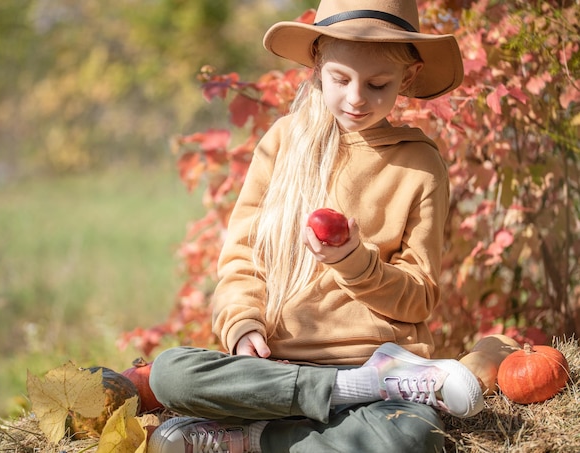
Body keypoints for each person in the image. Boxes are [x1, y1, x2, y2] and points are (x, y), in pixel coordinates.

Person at [148, 0, 483, 452]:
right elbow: (243, 257)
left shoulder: (419, 165)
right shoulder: (284, 143)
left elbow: (419, 296)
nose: (356, 98)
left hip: (375, 364)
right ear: (318, 68)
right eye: (340, 79)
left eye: (378, 83)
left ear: (407, 78)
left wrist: (355, 263)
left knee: (412, 435)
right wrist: (243, 323)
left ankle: (254, 439)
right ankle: (319, 410)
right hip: (277, 376)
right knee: (169, 372)